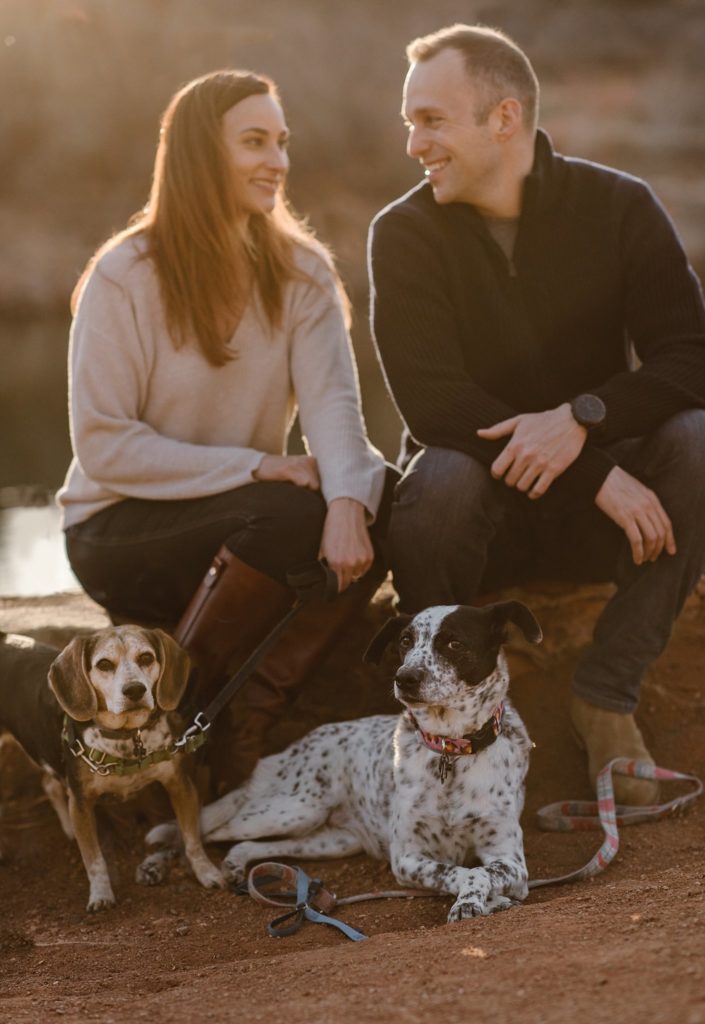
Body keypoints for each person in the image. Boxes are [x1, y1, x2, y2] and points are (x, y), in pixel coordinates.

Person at [368, 24, 705, 805]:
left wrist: (582, 417)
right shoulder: (404, 233)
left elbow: (689, 358)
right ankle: (445, 733)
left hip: (614, 526)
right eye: (408, 123)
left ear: (504, 118)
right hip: (479, 539)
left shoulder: (618, 206)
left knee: (697, 441)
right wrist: (592, 470)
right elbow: (432, 400)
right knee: (441, 476)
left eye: (430, 120)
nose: (414, 143)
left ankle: (606, 695)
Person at [58, 69, 391, 793]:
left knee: (377, 495)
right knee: (285, 506)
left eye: (281, 142)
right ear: (198, 155)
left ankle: (243, 722)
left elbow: (336, 410)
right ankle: (170, 733)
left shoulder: (301, 273)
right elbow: (104, 444)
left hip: (241, 525)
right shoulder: (125, 275)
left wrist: (345, 505)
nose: (276, 159)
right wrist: (258, 467)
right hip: (120, 527)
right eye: (253, 141)